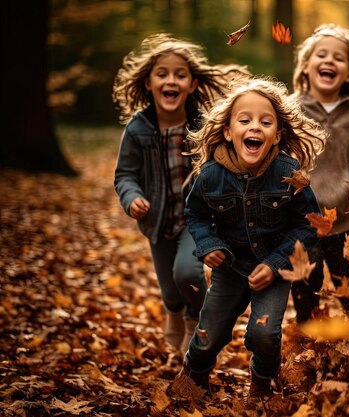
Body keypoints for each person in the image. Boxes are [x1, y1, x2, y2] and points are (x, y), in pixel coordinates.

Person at [174, 78, 326, 401]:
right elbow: (196, 214)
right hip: (230, 268)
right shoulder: (211, 175)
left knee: (264, 333)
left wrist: (275, 265)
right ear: (229, 131)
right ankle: (193, 376)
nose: (255, 127)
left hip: (274, 266)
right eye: (245, 120)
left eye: (265, 122)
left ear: (277, 135)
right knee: (208, 333)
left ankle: (261, 382)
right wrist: (208, 245)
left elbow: (307, 226)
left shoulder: (289, 172)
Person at [113, 33, 249, 354]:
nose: (170, 80)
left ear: (192, 84)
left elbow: (227, 160)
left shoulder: (204, 125)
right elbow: (125, 174)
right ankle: (174, 311)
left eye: (180, 74)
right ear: (148, 83)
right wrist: (131, 197)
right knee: (169, 288)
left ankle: (194, 320)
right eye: (162, 74)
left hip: (197, 218)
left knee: (187, 272)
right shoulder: (138, 129)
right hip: (156, 219)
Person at [290, 24, 349, 322]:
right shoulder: (291, 109)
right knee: (305, 289)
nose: (330, 61)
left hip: (345, 222)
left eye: (339, 58)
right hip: (303, 220)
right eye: (322, 54)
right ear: (306, 66)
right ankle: (309, 344)